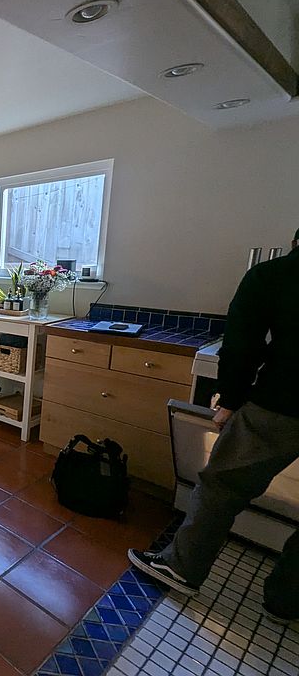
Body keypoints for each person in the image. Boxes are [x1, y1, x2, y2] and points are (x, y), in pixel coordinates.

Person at [128, 229, 299, 624]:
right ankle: (288, 600)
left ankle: (182, 567)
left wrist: (230, 398)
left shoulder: (273, 275)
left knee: (223, 486)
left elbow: (242, 343)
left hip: (284, 403)